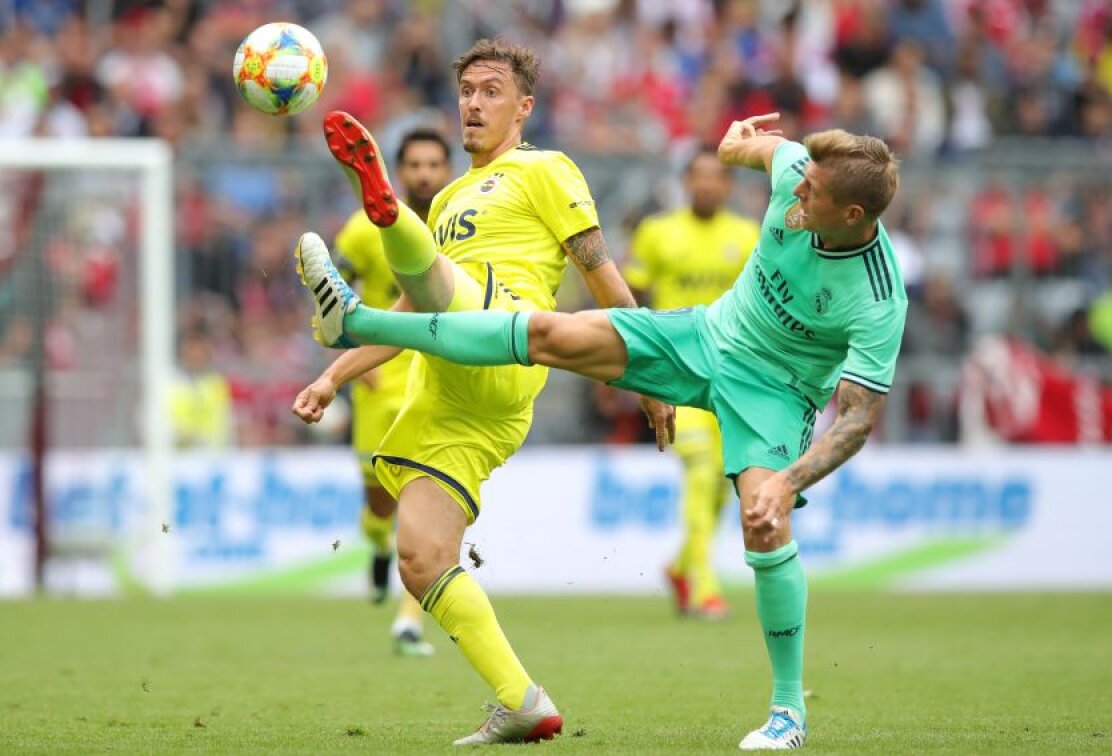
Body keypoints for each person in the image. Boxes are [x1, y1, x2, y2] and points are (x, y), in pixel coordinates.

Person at [296, 114, 907, 751]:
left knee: (764, 523)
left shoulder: (878, 296)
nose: (797, 197)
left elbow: (858, 420)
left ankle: (788, 713)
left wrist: (787, 481)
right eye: (800, 181)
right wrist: (735, 141)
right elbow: (743, 148)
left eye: (813, 197)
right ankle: (356, 322)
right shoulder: (794, 174)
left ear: (855, 214)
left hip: (775, 395)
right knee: (545, 331)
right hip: (705, 337)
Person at [292, 38, 671, 746]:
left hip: (507, 336)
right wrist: (333, 375)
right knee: (421, 557)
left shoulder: (546, 169)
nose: (473, 102)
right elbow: (418, 312)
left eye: (492, 90)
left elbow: (602, 275)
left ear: (524, 108)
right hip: (449, 396)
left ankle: (380, 216)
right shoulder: (453, 199)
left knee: (442, 281)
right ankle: (523, 701)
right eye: (466, 90)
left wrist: (649, 373)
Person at [332, 127, 453, 657]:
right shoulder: (363, 229)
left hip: (438, 377)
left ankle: (409, 619)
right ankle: (377, 547)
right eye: (415, 165)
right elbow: (330, 296)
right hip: (378, 380)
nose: (425, 174)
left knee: (422, 499)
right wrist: (351, 360)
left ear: (447, 170)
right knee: (378, 505)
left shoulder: (462, 224)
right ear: (398, 172)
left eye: (434, 165)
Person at [624, 151, 759, 620]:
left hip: (734, 376)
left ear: (728, 185)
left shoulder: (747, 237)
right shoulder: (658, 232)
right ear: (685, 182)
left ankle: (683, 566)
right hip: (677, 373)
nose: (705, 185)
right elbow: (632, 298)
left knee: (725, 481)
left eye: (714, 178)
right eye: (697, 177)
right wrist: (631, 365)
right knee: (702, 468)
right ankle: (703, 583)